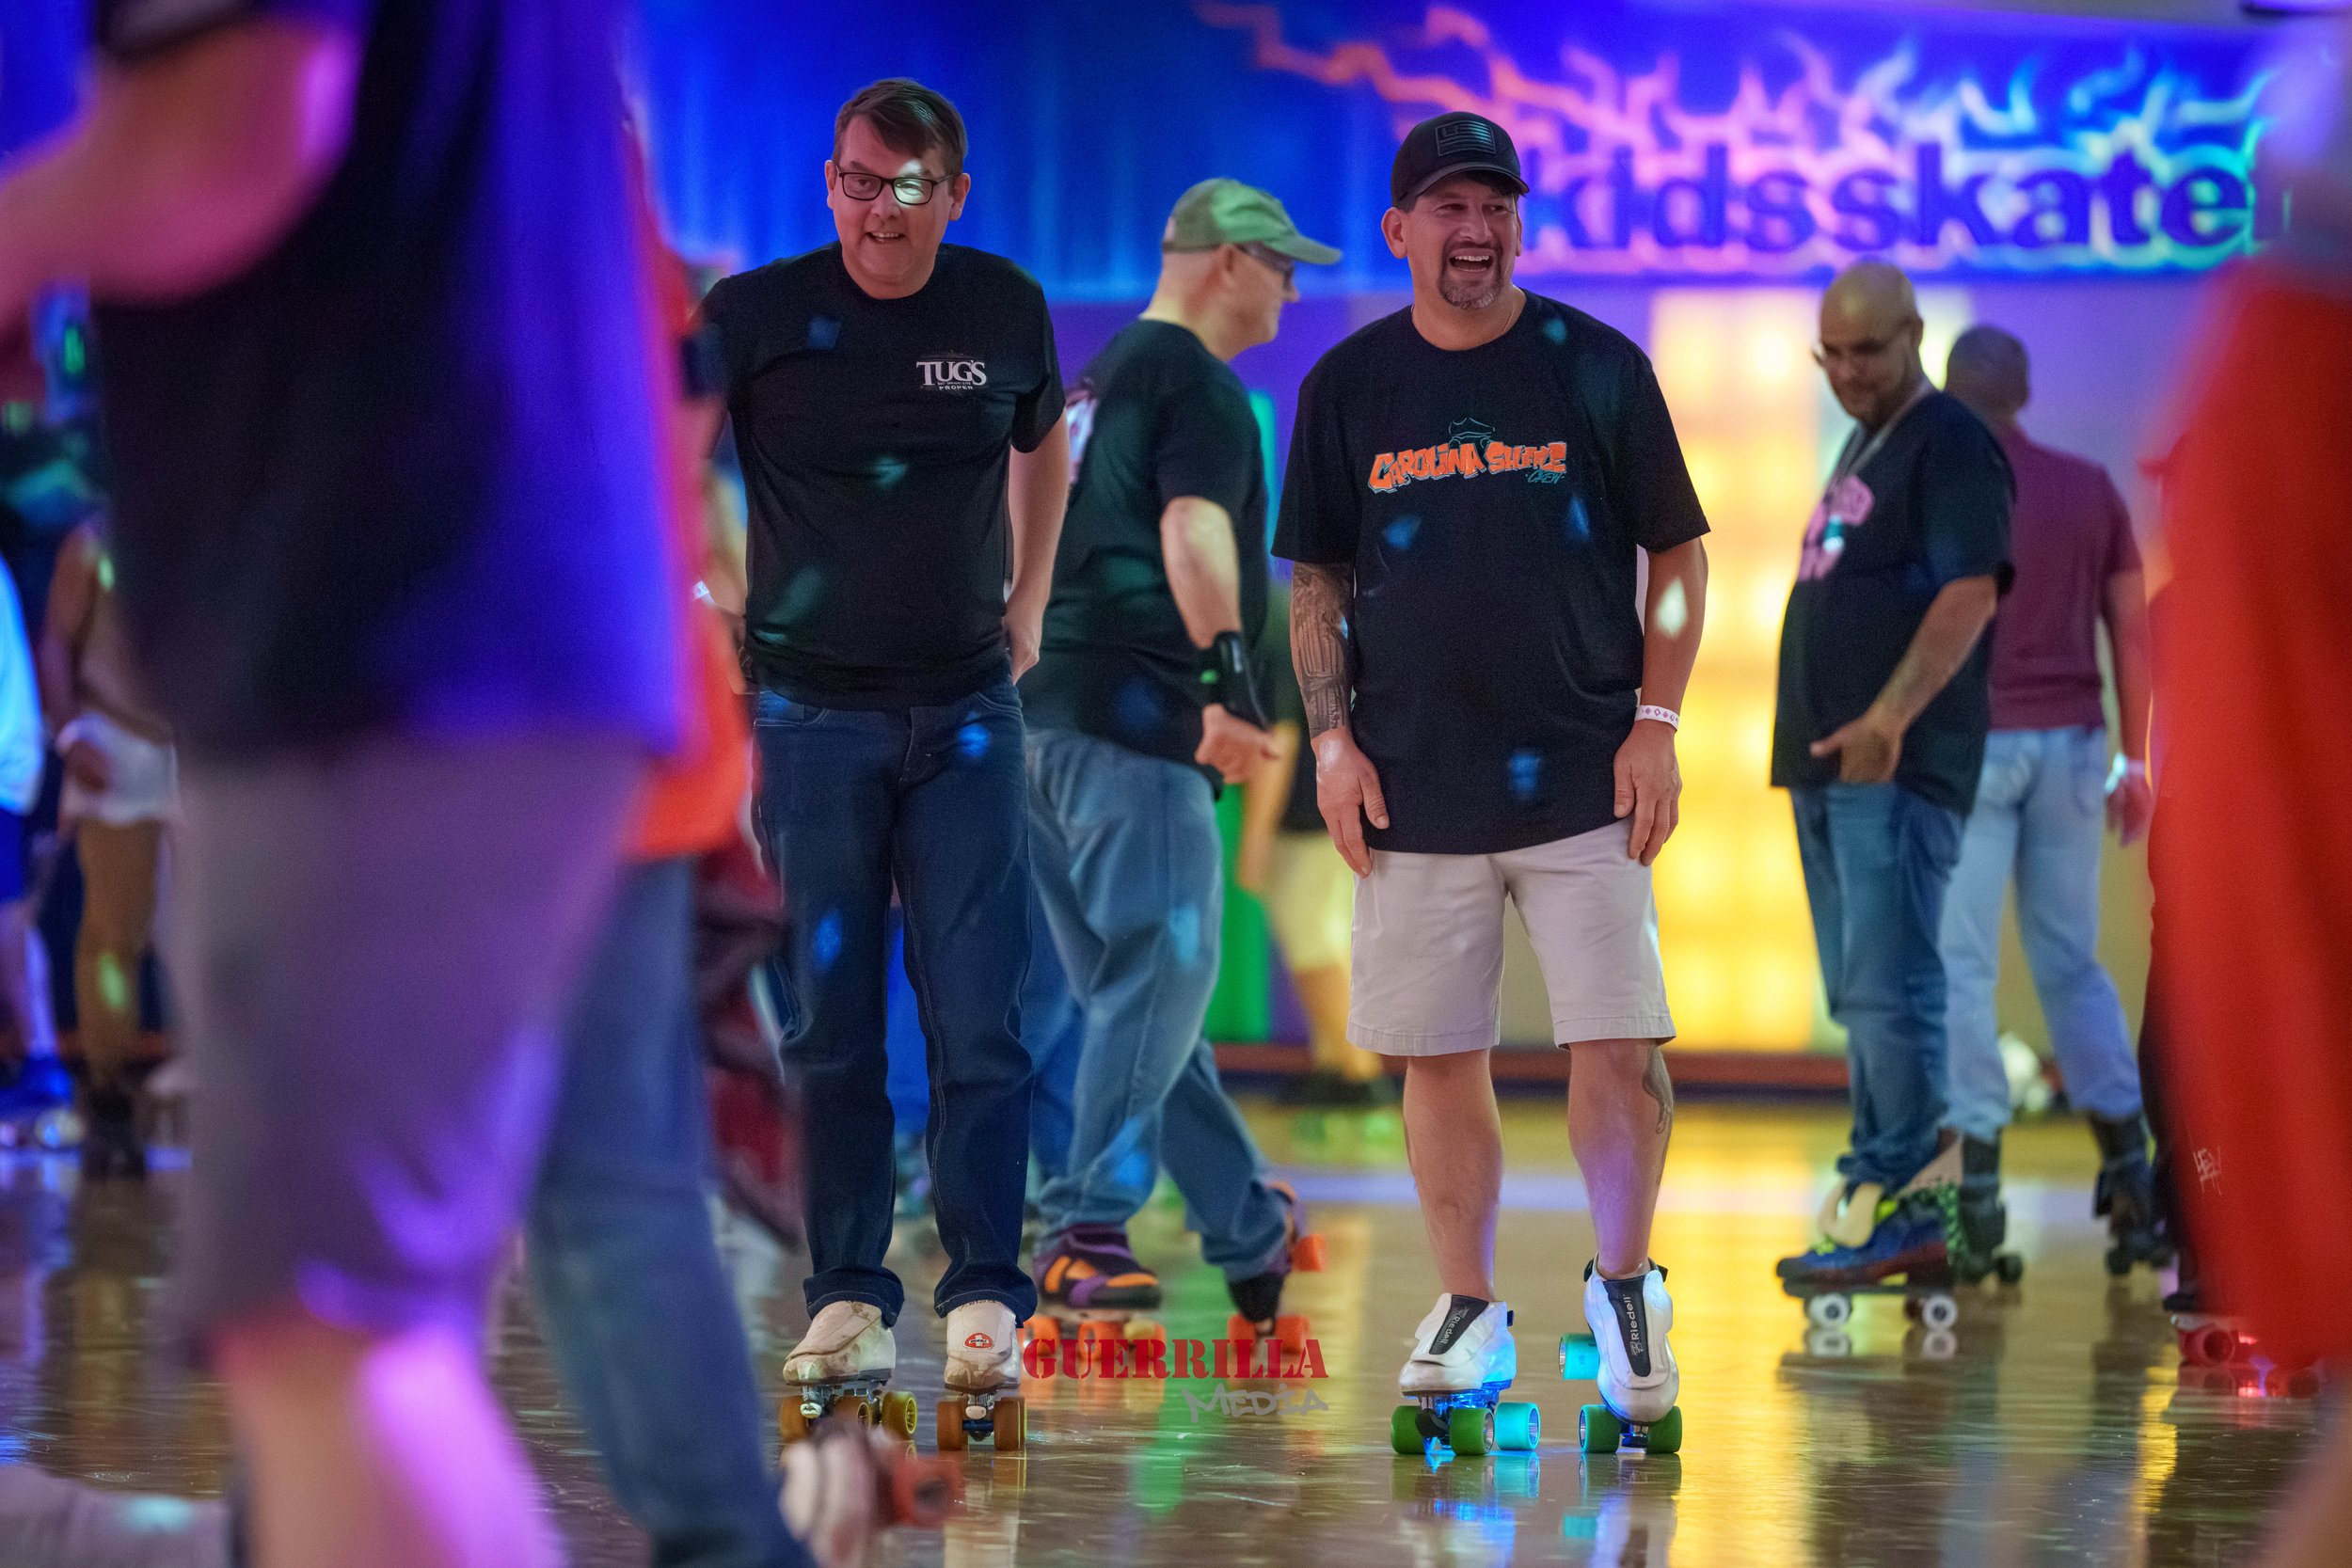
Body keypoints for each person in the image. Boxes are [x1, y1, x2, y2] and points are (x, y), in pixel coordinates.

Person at [0, 4, 684, 1565]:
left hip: (396, 609)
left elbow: (233, 135)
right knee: (363, 1325)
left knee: (331, 1330)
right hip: (463, 601)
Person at [1276, 112, 1709, 1435]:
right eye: (1448, 207)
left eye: (1497, 206)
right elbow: (1318, 580)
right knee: (1435, 1053)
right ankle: (1469, 1307)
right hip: (1411, 787)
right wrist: (1333, 745)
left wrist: (1658, 718)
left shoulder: (1595, 364)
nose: (1476, 230)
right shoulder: (1348, 386)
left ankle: (1625, 1287)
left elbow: (1680, 563)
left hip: (1586, 775)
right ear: (1400, 228)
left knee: (1617, 1049)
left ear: (1520, 221)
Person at [697, 79, 1067, 1418]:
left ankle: (982, 1298)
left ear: (954, 196)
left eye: (907, 187)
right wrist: (709, 590)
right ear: (832, 183)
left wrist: (1030, 603)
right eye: (857, 180)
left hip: (969, 713)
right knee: (829, 1029)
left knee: (983, 1016)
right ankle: (847, 1294)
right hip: (808, 722)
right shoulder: (755, 317)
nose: (878, 210)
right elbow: (666, 449)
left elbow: (1045, 445)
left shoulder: (1003, 308)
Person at [1017, 178, 1336, 1334]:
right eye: (1283, 266)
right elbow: (1194, 530)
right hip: (1137, 731)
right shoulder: (1197, 383)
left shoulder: (1093, 381)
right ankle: (1082, 1228)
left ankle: (1244, 1222)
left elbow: (1020, 529)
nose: (1293, 290)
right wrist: (1229, 680)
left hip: (1044, 724)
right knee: (1159, 973)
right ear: (1228, 261)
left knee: (1139, 998)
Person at [1771, 263, 2011, 1290]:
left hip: (1893, 767)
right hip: (1832, 769)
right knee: (1860, 991)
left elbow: (1967, 593)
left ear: (1913, 334)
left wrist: (1887, 718)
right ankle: (1900, 1201)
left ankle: (1910, 1199)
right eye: (1832, 353)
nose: (1848, 371)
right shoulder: (1868, 441)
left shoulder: (1949, 441)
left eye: (1867, 350)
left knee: (1891, 983)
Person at [1932, 325, 2164, 1277]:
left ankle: (1977, 1193)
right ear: (2024, 392)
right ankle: (2130, 1174)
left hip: (1975, 747)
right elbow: (2131, 628)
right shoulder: (2087, 487)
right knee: (2071, 959)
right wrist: (2135, 758)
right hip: (2071, 746)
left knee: (1961, 963)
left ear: (1950, 393)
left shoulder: (1941, 483)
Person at [37, 515, 175, 1180]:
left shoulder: (237, 516)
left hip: (212, 744)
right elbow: (58, 640)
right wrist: (68, 733)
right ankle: (110, 1091)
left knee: (233, 926)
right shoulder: (96, 537)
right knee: (114, 933)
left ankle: (255, 1099)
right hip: (119, 747)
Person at [1240, 578, 1394, 1109]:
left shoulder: (1262, 619)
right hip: (1327, 801)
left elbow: (1278, 739)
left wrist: (1254, 841)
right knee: (1324, 938)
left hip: (1306, 812)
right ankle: (1333, 1062)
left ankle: (1359, 1073)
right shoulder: (1289, 614)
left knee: (1312, 941)